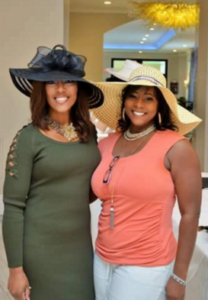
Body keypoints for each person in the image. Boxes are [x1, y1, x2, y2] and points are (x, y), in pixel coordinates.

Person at [91, 65, 202, 300]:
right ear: (124, 101)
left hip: (147, 263)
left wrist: (179, 277)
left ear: (159, 105)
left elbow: (190, 214)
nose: (138, 104)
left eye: (148, 98)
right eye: (133, 95)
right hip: (102, 257)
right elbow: (88, 193)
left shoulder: (177, 147)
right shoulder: (106, 144)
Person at [2, 44, 104, 300]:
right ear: (41, 90)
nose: (61, 89)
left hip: (80, 249)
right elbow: (13, 207)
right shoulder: (28, 138)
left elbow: (86, 187)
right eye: (51, 83)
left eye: (68, 81)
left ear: (78, 88)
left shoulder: (88, 134)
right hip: (40, 251)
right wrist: (15, 269)